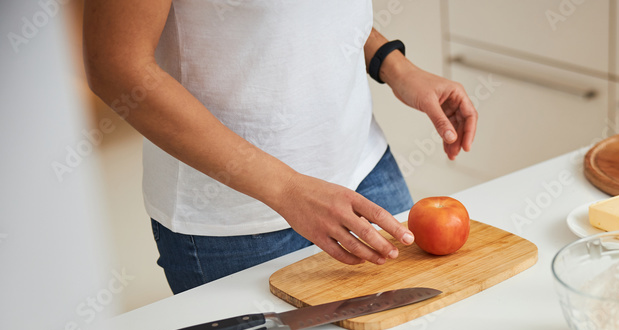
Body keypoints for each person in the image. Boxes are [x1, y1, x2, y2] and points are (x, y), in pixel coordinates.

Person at [83, 0, 478, 294]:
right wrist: (287, 188)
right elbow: (115, 68)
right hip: (236, 221)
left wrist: (393, 64)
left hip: (364, 170)